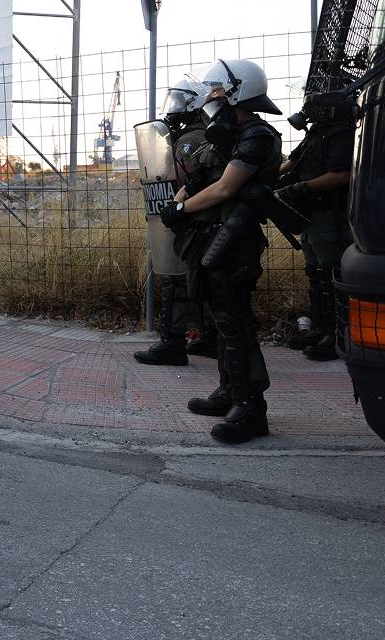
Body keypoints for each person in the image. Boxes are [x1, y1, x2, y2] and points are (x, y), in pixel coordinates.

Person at [161, 59, 284, 444]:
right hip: (212, 237)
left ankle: (251, 408)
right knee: (221, 318)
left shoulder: (258, 134)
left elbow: (226, 187)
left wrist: (182, 209)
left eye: (215, 90)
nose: (208, 97)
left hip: (235, 240)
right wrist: (178, 204)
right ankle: (230, 392)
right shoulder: (226, 133)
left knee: (235, 322)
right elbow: (200, 176)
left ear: (237, 91)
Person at [135, 78, 211, 367]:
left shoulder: (191, 140)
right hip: (199, 219)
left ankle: (173, 344)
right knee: (203, 280)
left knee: (177, 280)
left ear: (194, 105)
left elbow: (182, 182)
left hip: (189, 220)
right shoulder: (197, 135)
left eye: (179, 101)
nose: (173, 107)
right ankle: (210, 339)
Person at [277, 93, 355, 361]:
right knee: (315, 272)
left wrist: (301, 188)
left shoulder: (340, 133)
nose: (307, 106)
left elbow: (341, 174)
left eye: (313, 102)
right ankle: (322, 328)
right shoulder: (318, 132)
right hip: (312, 214)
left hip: (330, 215)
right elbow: (293, 162)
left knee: (332, 273)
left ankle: (338, 335)